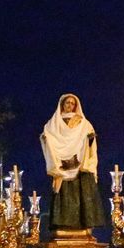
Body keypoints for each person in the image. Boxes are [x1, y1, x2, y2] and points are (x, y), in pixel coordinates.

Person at [40, 93, 106, 232]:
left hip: (79, 164)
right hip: (61, 165)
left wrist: (90, 139)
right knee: (64, 195)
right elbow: (48, 136)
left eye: (72, 103)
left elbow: (90, 141)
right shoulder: (54, 123)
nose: (69, 105)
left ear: (76, 106)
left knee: (80, 194)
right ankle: (63, 225)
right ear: (62, 104)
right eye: (67, 103)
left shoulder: (83, 123)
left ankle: (82, 226)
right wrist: (46, 139)